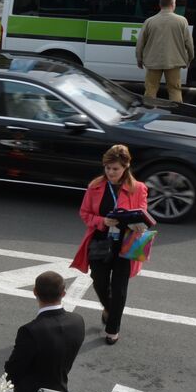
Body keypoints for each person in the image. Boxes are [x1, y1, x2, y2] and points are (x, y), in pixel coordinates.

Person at [69, 145, 152, 346]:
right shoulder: (95, 186)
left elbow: (143, 213)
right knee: (98, 281)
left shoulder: (139, 188)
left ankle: (113, 328)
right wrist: (102, 221)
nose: (110, 173)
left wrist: (134, 220)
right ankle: (108, 308)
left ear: (126, 167)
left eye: (115, 169)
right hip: (100, 240)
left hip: (127, 242)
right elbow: (84, 213)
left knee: (120, 287)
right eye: (107, 168)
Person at [135, 0, 194, 103]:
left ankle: (148, 113)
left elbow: (140, 43)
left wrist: (139, 59)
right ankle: (175, 114)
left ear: (160, 5)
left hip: (153, 61)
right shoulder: (182, 21)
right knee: (175, 90)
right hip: (173, 62)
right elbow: (189, 43)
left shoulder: (149, 21)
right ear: (173, 4)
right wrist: (189, 58)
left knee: (150, 89)